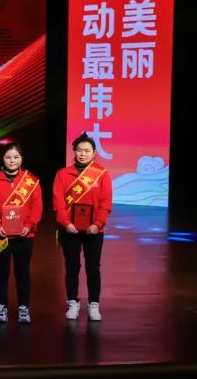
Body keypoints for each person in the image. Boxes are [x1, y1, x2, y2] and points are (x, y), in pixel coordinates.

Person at [53, 132, 113, 322]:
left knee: (93, 268)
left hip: (93, 230)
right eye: (79, 150)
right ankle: (73, 302)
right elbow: (58, 203)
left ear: (94, 153)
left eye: (87, 151)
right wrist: (66, 223)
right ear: (74, 151)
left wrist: (98, 224)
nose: (82, 154)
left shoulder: (102, 174)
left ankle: (94, 304)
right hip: (69, 230)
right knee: (72, 267)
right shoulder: (63, 174)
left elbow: (105, 203)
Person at [0, 142, 42, 324]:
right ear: (2, 159)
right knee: (1, 272)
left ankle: (23, 307)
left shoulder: (31, 181)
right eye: (8, 157)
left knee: (23, 273)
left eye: (16, 157)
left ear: (22, 159)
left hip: (24, 236)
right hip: (0, 236)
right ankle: (1, 306)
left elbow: (37, 207)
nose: (12, 161)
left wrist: (29, 225)